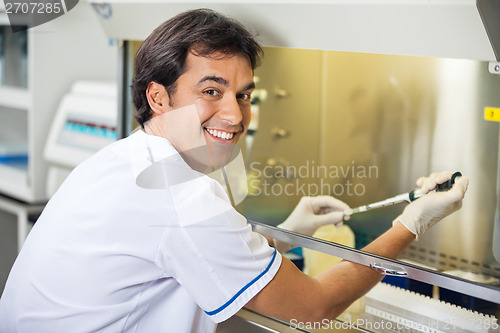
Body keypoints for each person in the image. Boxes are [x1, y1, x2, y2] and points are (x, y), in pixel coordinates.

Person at [0, 8, 468, 333]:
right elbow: (314, 308)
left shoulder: (122, 159)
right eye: (211, 91)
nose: (235, 114)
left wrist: (284, 234)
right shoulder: (181, 196)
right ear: (158, 97)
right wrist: (411, 224)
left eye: (243, 95)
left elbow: (189, 255)